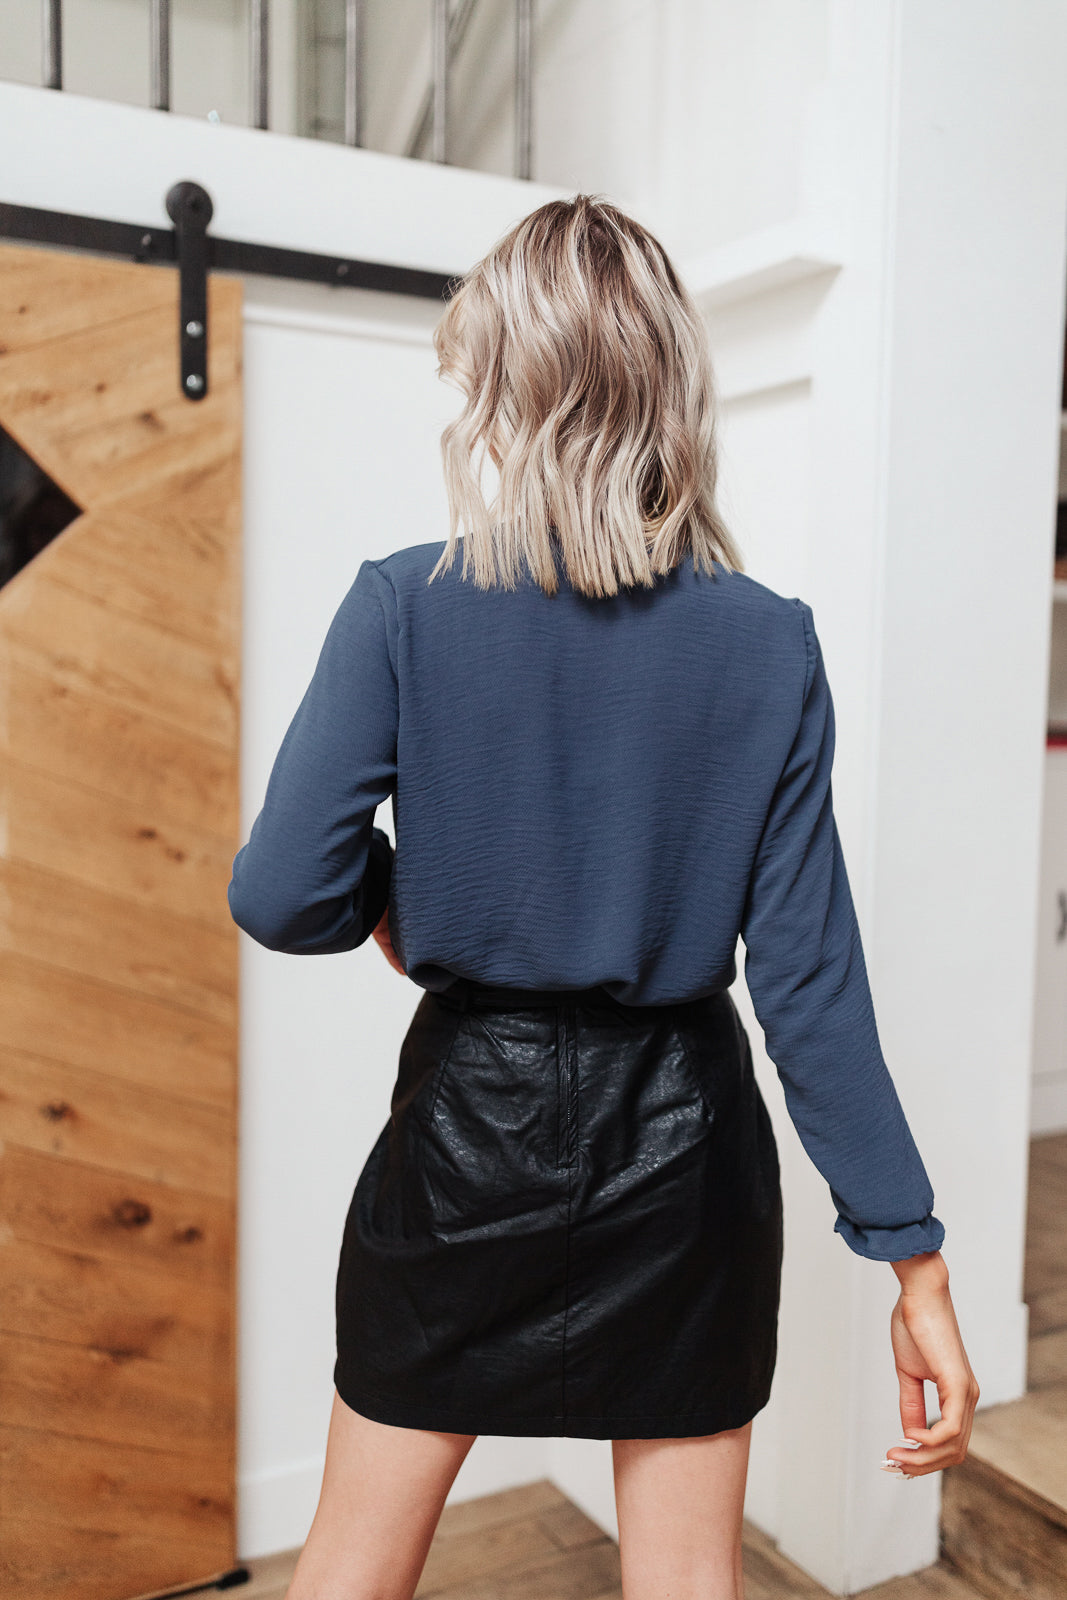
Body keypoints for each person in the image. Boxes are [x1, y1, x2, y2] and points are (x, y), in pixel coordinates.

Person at [227, 194, 979, 1600]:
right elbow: (808, 985)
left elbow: (282, 892)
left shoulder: (403, 604)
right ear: (670, 391)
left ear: (509, 389)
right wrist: (914, 1261)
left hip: (464, 1140)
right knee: (688, 1584)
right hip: (688, 1160)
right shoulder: (768, 643)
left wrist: (404, 900)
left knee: (348, 1575)